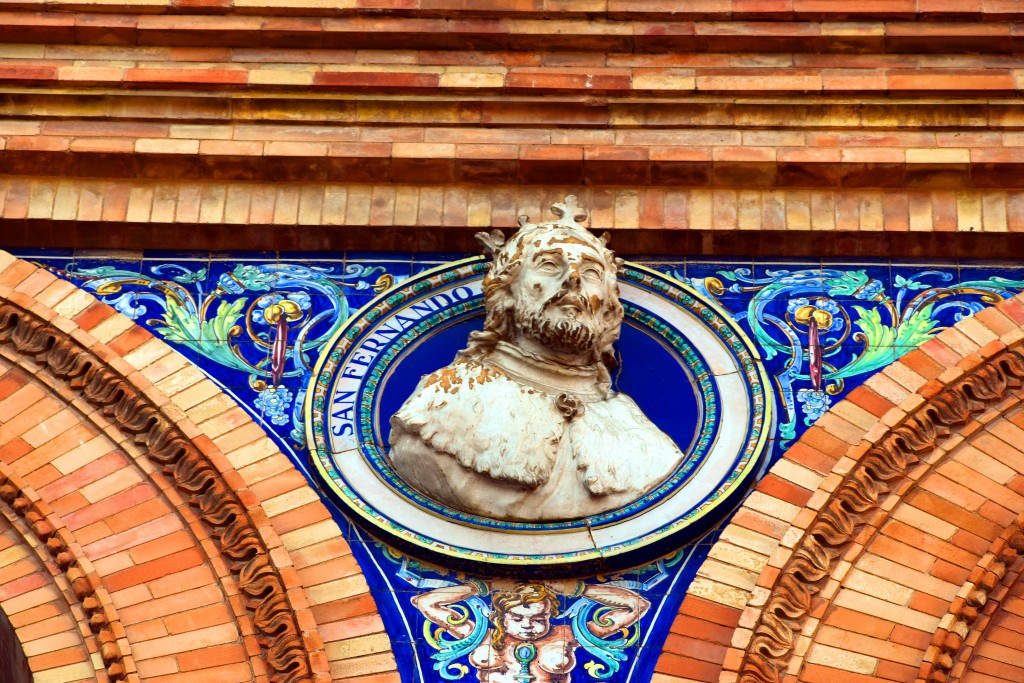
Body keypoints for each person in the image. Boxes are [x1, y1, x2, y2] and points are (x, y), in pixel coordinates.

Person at [389, 196, 685, 520]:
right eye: (548, 265)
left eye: (590, 272)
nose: (573, 278)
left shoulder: (638, 433)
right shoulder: (445, 399)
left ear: (608, 308)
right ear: (506, 293)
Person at [412, 579, 649, 683]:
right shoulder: (481, 635)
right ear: (502, 618)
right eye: (517, 618)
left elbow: (637, 606)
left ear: (550, 616)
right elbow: (425, 602)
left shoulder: (569, 634)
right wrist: (485, 586)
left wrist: (577, 588)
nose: (527, 625)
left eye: (538, 618)